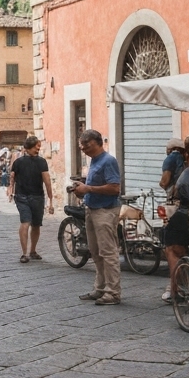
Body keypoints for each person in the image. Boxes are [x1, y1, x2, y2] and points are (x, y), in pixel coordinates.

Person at [70, 129, 122, 305]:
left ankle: (113, 292)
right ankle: (100, 288)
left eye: (87, 144)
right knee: (95, 252)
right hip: (92, 209)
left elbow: (115, 188)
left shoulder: (108, 161)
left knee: (108, 252)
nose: (83, 148)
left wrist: (89, 189)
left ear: (98, 143)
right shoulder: (93, 161)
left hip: (105, 211)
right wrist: (82, 189)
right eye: (81, 145)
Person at [162, 134, 189, 302]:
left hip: (187, 214)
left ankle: (175, 291)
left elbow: (169, 184)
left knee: (173, 249)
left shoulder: (187, 173)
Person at [9, 135, 54, 262]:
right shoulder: (37, 162)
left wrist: (50, 200)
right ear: (27, 148)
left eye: (38, 147)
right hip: (27, 196)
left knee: (35, 224)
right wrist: (11, 190)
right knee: (28, 223)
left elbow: (47, 181)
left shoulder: (22, 162)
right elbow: (13, 177)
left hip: (32, 196)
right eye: (35, 147)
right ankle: (27, 252)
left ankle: (30, 251)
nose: (37, 149)